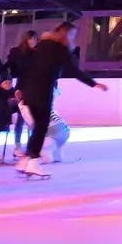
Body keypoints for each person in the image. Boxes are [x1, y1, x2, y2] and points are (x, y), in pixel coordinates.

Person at [16, 23, 106, 178]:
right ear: (64, 33)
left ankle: (25, 160)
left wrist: (20, 88)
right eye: (71, 34)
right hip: (42, 90)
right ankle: (32, 163)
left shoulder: (43, 44)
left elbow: (27, 67)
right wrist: (94, 83)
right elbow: (73, 70)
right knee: (41, 126)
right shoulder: (60, 49)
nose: (72, 38)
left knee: (38, 126)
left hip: (30, 90)